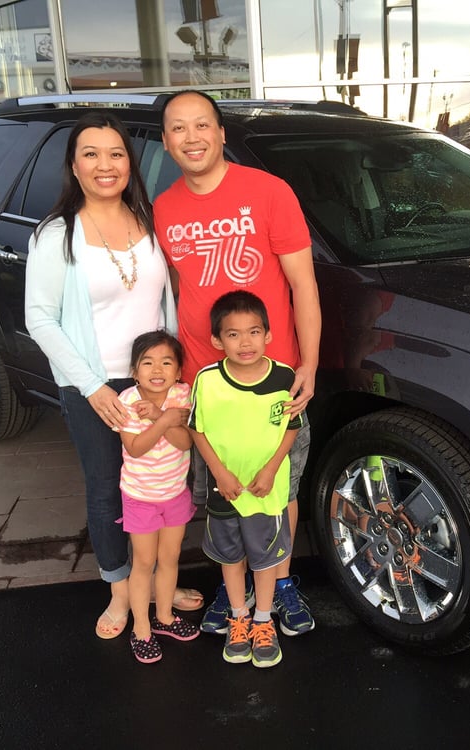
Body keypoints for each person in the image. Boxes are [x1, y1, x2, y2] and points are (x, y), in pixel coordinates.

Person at [25, 110, 202, 641]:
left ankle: (160, 584)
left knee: (167, 481)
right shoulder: (57, 234)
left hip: (156, 380)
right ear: (74, 166)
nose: (106, 165)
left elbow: (168, 300)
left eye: (116, 153)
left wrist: (177, 378)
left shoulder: (148, 219)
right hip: (95, 383)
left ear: (131, 162)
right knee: (108, 489)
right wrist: (93, 387)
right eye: (91, 154)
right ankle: (121, 589)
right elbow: (40, 318)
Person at [154, 90, 321, 637]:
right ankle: (236, 593)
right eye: (179, 128)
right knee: (222, 495)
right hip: (207, 384)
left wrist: (309, 364)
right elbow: (175, 291)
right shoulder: (164, 208)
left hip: (274, 377)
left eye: (202, 124)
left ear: (222, 133)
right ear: (166, 141)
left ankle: (282, 582)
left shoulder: (269, 192)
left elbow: (303, 285)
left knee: (280, 490)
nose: (192, 137)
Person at [189, 291, 302, 668]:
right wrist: (220, 473)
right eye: (233, 334)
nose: (245, 342)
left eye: (253, 332)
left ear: (268, 334)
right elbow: (197, 430)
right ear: (217, 340)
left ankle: (263, 620)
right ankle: (238, 618)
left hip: (267, 493)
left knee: (265, 560)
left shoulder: (284, 377)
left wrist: (270, 470)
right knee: (232, 558)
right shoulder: (207, 381)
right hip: (226, 492)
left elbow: (292, 427)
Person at [118, 331, 200, 663]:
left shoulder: (182, 394)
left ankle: (164, 617)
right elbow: (135, 448)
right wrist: (163, 418)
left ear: (178, 371)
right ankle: (141, 629)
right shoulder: (127, 401)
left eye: (166, 362)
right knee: (143, 562)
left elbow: (186, 443)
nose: (157, 369)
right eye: (147, 363)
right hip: (140, 496)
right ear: (134, 371)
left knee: (170, 558)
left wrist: (160, 416)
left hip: (175, 493)